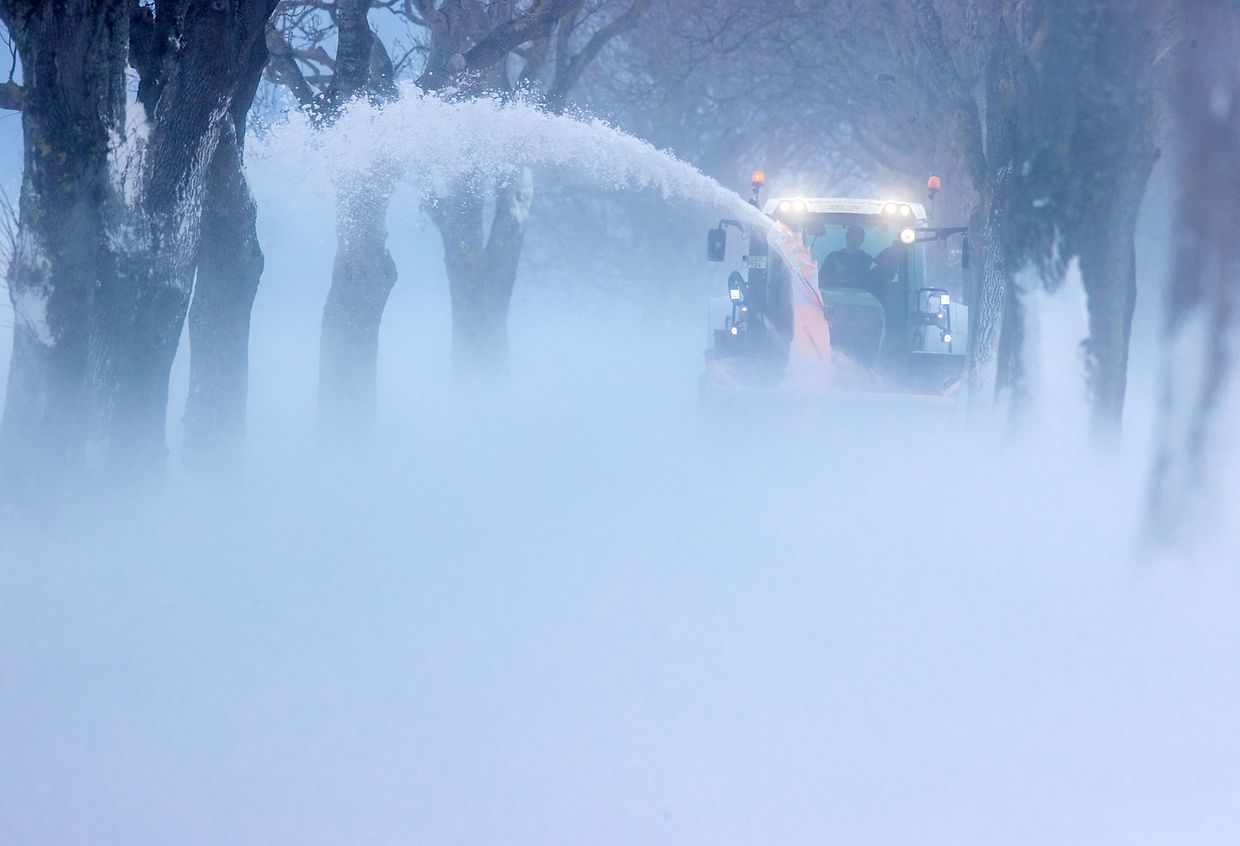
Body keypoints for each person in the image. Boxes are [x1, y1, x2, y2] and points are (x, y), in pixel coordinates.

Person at [819, 225, 874, 290]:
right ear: (847, 238)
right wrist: (836, 272)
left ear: (862, 241)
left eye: (857, 238)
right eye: (852, 237)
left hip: (859, 294)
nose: (854, 240)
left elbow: (866, 279)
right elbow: (822, 278)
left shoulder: (866, 258)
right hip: (833, 293)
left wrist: (846, 270)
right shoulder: (833, 257)